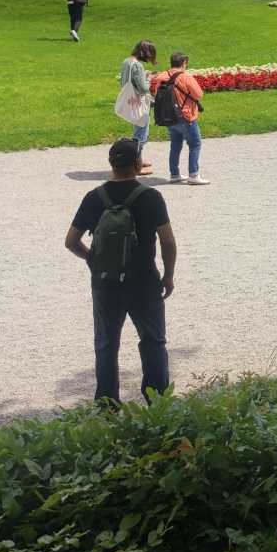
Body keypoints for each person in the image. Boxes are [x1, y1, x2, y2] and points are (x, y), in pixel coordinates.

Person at [64, 139, 176, 404]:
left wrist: (92, 259)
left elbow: (71, 241)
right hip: (144, 283)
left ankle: (107, 406)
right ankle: (158, 403)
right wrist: (168, 276)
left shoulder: (94, 198)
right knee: (153, 342)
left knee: (106, 345)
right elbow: (168, 241)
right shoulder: (151, 197)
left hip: (106, 284)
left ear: (111, 164)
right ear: (137, 165)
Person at [151, 52, 208, 185]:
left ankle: (174, 174)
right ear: (183, 63)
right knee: (195, 144)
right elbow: (199, 94)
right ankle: (193, 174)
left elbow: (156, 93)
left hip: (169, 116)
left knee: (175, 145)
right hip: (186, 115)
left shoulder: (161, 76)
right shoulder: (186, 77)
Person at [119, 40, 157, 174]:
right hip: (139, 103)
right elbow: (143, 88)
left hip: (130, 101)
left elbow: (126, 81)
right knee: (141, 134)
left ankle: (138, 159)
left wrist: (143, 75)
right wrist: (149, 78)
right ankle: (136, 165)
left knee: (138, 130)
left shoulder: (127, 61)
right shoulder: (138, 66)